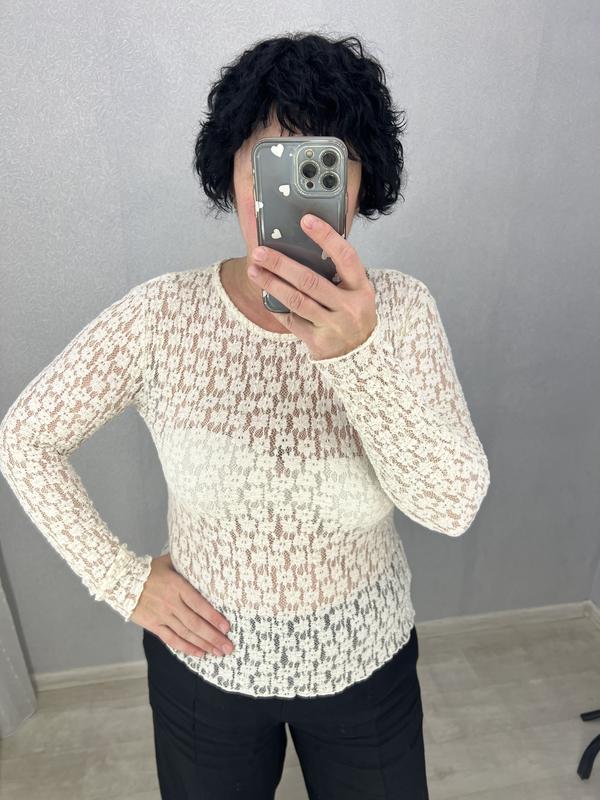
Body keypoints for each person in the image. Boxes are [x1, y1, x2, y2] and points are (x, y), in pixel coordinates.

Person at [0, 31, 491, 800]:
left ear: (363, 181)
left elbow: (452, 506)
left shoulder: (402, 312)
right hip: (203, 671)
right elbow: (24, 438)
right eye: (270, 163)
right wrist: (122, 581)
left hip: (365, 665)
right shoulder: (162, 315)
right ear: (230, 175)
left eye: (324, 165)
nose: (294, 194)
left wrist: (359, 356)